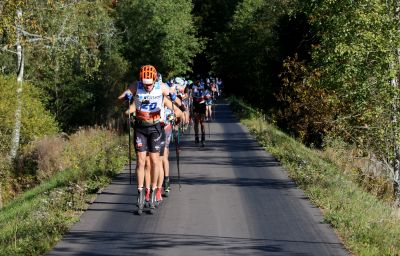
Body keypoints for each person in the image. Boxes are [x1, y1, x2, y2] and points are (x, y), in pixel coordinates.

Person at [118, 65, 176, 214]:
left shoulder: (161, 86)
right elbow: (119, 99)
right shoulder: (136, 86)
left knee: (155, 161)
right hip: (140, 128)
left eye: (150, 84)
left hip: (156, 128)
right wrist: (126, 96)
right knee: (141, 161)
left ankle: (154, 191)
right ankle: (140, 193)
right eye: (145, 84)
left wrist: (174, 96)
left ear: (155, 80)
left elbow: (172, 93)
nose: (148, 87)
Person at [192, 80, 206, 146]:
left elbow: (206, 94)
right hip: (196, 105)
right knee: (196, 122)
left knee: (202, 122)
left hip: (202, 105)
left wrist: (206, 97)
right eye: (197, 82)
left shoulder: (203, 86)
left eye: (199, 82)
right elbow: (192, 95)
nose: (198, 83)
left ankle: (203, 137)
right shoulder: (193, 87)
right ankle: (196, 136)